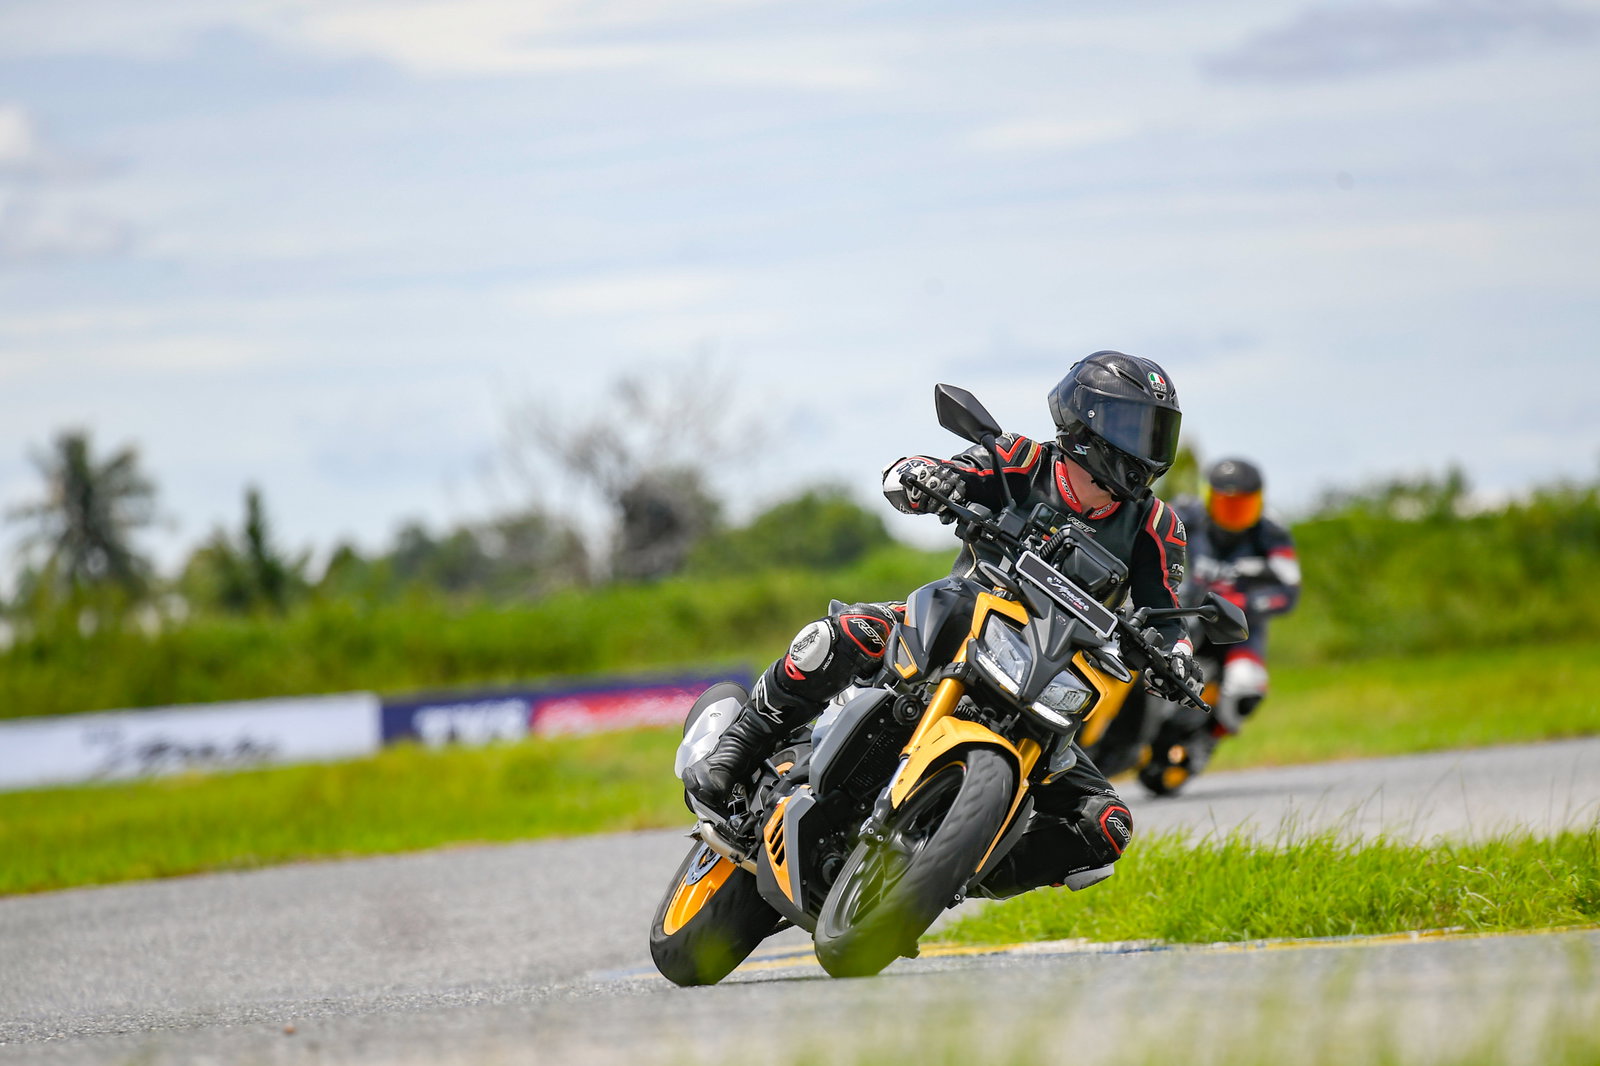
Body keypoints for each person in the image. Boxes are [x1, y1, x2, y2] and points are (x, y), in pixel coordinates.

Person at [683, 350, 1194, 896]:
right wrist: (926, 476)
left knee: (1105, 825)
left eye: (1154, 431)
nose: (1143, 446)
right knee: (843, 635)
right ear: (1084, 417)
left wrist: (1178, 659)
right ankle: (739, 744)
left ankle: (949, 873)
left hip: (1053, 672)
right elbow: (946, 471)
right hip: (961, 616)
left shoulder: (1157, 527)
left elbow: (1164, 615)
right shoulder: (1022, 461)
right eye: (1130, 425)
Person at [1145, 457, 1300, 785]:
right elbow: (1147, 536)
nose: (1232, 514)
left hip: (1239, 628)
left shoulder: (1272, 531)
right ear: (1208, 495)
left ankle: (1208, 738)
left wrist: (1246, 602)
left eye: (1242, 505)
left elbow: (1288, 589)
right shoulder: (1184, 515)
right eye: (1225, 503)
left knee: (1246, 686)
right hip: (1181, 611)